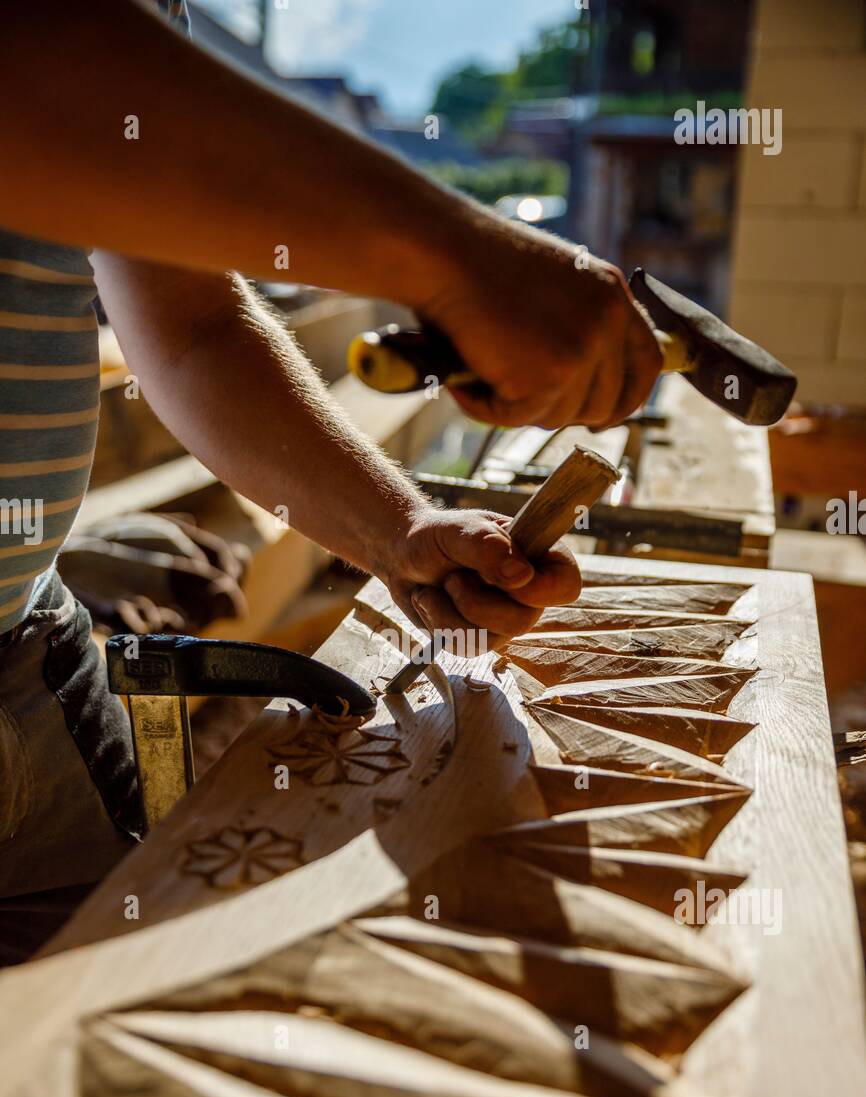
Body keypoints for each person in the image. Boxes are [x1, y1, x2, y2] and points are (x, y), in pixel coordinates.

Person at [0, 0, 661, 960]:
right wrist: (457, 258)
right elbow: (32, 79)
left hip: (29, 662)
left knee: (106, 1049)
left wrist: (397, 532)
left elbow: (192, 325)